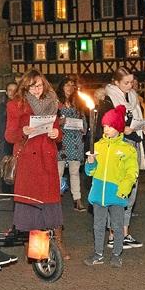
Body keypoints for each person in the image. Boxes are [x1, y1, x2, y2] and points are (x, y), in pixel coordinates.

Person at [4, 70, 65, 256]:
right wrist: (23, 130)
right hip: (29, 161)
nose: (37, 90)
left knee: (50, 202)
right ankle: (36, 250)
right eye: (32, 86)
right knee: (32, 205)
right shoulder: (15, 105)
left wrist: (57, 135)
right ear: (25, 87)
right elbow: (9, 135)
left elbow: (57, 131)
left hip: (47, 159)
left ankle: (56, 245)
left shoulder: (52, 103)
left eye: (39, 85)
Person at [91, 67, 145, 249]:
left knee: (130, 190)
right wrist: (123, 129)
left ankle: (124, 233)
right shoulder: (108, 100)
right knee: (115, 190)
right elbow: (105, 127)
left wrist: (142, 129)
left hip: (134, 145)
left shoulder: (132, 97)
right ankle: (112, 234)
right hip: (116, 149)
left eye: (131, 82)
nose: (130, 85)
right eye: (126, 82)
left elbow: (134, 119)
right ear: (115, 82)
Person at [84, 105, 140, 267]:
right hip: (98, 193)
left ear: (118, 128)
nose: (106, 129)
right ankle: (98, 253)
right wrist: (90, 162)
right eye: (104, 126)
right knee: (98, 225)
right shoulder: (98, 146)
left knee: (117, 225)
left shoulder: (127, 149)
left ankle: (116, 253)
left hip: (116, 194)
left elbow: (132, 173)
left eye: (110, 126)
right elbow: (90, 172)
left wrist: (123, 190)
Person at [56, 76, 89, 212]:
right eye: (66, 85)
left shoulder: (78, 102)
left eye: (71, 85)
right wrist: (59, 122)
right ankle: (56, 199)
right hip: (61, 140)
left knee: (75, 172)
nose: (69, 88)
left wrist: (83, 128)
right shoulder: (56, 102)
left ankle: (77, 199)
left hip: (75, 140)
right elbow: (51, 121)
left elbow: (83, 119)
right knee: (59, 172)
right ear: (62, 87)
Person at [0, 81, 18, 193]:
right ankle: (6, 192)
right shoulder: (2, 107)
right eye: (10, 90)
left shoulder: (22, 106)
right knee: (5, 166)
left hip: (17, 139)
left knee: (17, 166)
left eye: (14, 90)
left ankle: (17, 191)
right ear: (6, 92)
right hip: (4, 140)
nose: (12, 92)